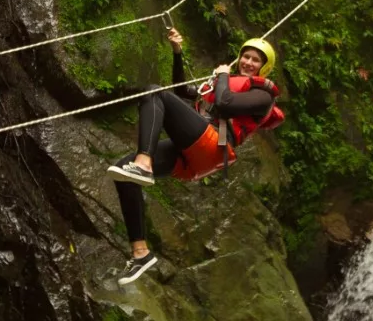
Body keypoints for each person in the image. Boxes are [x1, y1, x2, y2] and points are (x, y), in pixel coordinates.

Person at [104, 26, 286, 283]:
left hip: (215, 146)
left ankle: (144, 163)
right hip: (196, 148)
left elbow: (224, 103)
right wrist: (178, 52)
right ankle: (140, 253)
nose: (248, 62)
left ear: (263, 67)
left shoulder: (263, 95)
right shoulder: (227, 84)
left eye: (256, 60)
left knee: (154, 92)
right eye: (246, 56)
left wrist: (222, 75)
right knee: (124, 171)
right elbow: (181, 91)